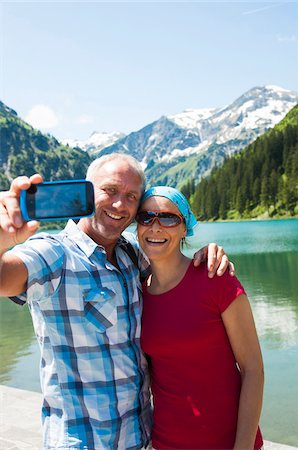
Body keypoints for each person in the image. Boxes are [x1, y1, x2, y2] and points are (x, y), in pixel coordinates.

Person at [0, 154, 232, 450]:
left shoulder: (132, 255)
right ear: (86, 192)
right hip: (82, 442)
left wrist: (208, 254)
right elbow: (5, 276)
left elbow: (174, 269)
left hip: (141, 437)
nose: (120, 205)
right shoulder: (53, 254)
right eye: (109, 190)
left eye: (131, 196)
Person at [137, 186, 264, 450]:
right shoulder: (136, 290)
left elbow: (253, 370)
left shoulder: (215, 278)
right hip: (165, 443)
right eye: (146, 217)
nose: (155, 227)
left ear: (185, 228)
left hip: (226, 443)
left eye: (169, 218)